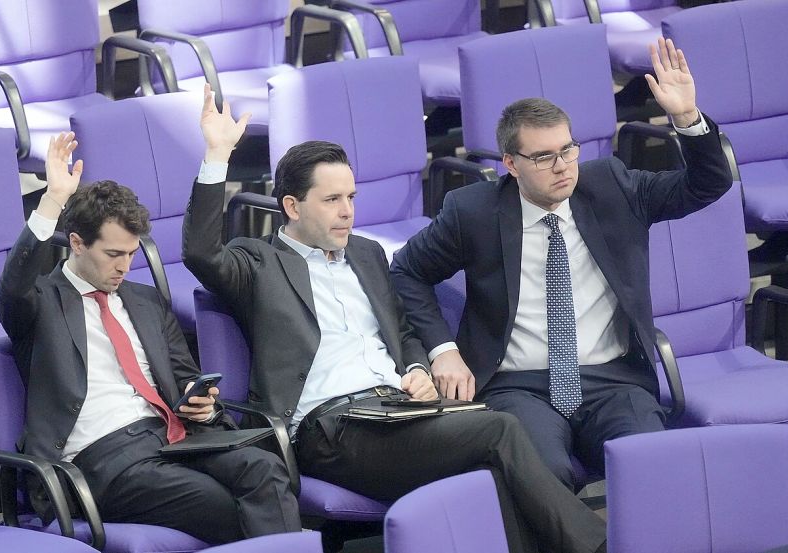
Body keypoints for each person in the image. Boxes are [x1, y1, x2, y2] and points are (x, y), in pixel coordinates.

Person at [182, 85, 607, 553]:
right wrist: (217, 156)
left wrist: (418, 368)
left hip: (400, 412)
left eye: (351, 197)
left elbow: (402, 331)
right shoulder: (258, 263)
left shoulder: (366, 254)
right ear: (292, 206)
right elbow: (201, 252)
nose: (347, 212)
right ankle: (600, 545)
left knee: (492, 473)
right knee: (500, 429)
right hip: (330, 430)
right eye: (331, 200)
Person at [389, 38, 734, 488]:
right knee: (541, 477)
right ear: (511, 164)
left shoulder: (613, 187)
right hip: (518, 384)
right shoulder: (472, 211)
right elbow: (407, 271)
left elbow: (708, 184)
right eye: (544, 157)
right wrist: (443, 350)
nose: (563, 166)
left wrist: (687, 117)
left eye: (568, 150)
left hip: (613, 381)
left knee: (652, 464)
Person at [0, 133, 301, 544]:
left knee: (266, 471)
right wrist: (52, 201)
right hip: (101, 457)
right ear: (77, 243)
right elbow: (12, 287)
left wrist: (199, 402)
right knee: (217, 502)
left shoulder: (145, 300)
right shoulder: (40, 303)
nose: (124, 267)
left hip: (172, 437)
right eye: (113, 255)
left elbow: (184, 375)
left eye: (131, 254)